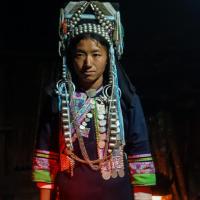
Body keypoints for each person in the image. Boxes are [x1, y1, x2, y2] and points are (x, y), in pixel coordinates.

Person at [32, 1, 156, 200]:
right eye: (80, 55)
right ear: (70, 58)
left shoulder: (126, 101)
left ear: (109, 57)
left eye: (96, 54)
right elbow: (47, 155)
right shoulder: (58, 101)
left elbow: (139, 155)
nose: (88, 63)